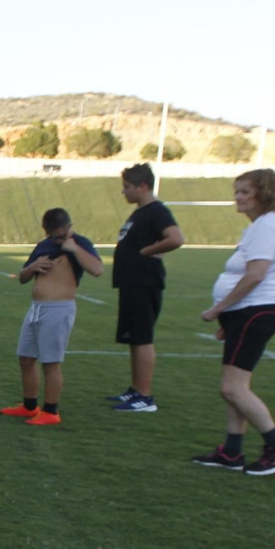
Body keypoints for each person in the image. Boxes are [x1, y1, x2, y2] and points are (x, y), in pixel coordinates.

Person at [192, 169, 275, 475]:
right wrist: (229, 317)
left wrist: (218, 309)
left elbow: (255, 275)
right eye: (237, 190)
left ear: (263, 194)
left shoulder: (267, 226)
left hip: (255, 311)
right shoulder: (262, 226)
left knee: (233, 389)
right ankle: (231, 451)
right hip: (247, 313)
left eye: (244, 191)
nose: (237, 197)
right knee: (235, 387)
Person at [0, 208, 103, 425]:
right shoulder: (44, 246)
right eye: (53, 236)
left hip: (59, 309)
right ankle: (29, 406)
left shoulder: (80, 243)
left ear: (69, 227)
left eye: (62, 235)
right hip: (36, 308)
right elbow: (23, 277)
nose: (58, 240)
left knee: (51, 362)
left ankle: (51, 412)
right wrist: (33, 267)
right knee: (26, 359)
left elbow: (97, 269)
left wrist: (73, 248)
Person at [109, 163, 185, 412]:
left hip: (144, 282)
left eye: (127, 187)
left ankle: (145, 396)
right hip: (132, 282)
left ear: (143, 187)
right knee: (134, 338)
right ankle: (135, 390)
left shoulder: (156, 210)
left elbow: (175, 238)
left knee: (142, 338)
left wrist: (146, 251)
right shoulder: (141, 211)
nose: (124, 192)